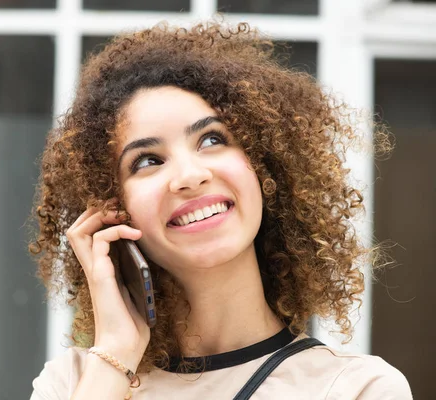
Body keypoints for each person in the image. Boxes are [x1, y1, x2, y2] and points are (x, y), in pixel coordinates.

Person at [27, 21, 412, 399]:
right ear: (111, 210)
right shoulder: (73, 382)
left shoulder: (357, 388)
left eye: (212, 139)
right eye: (147, 161)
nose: (190, 176)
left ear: (265, 165)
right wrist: (115, 354)